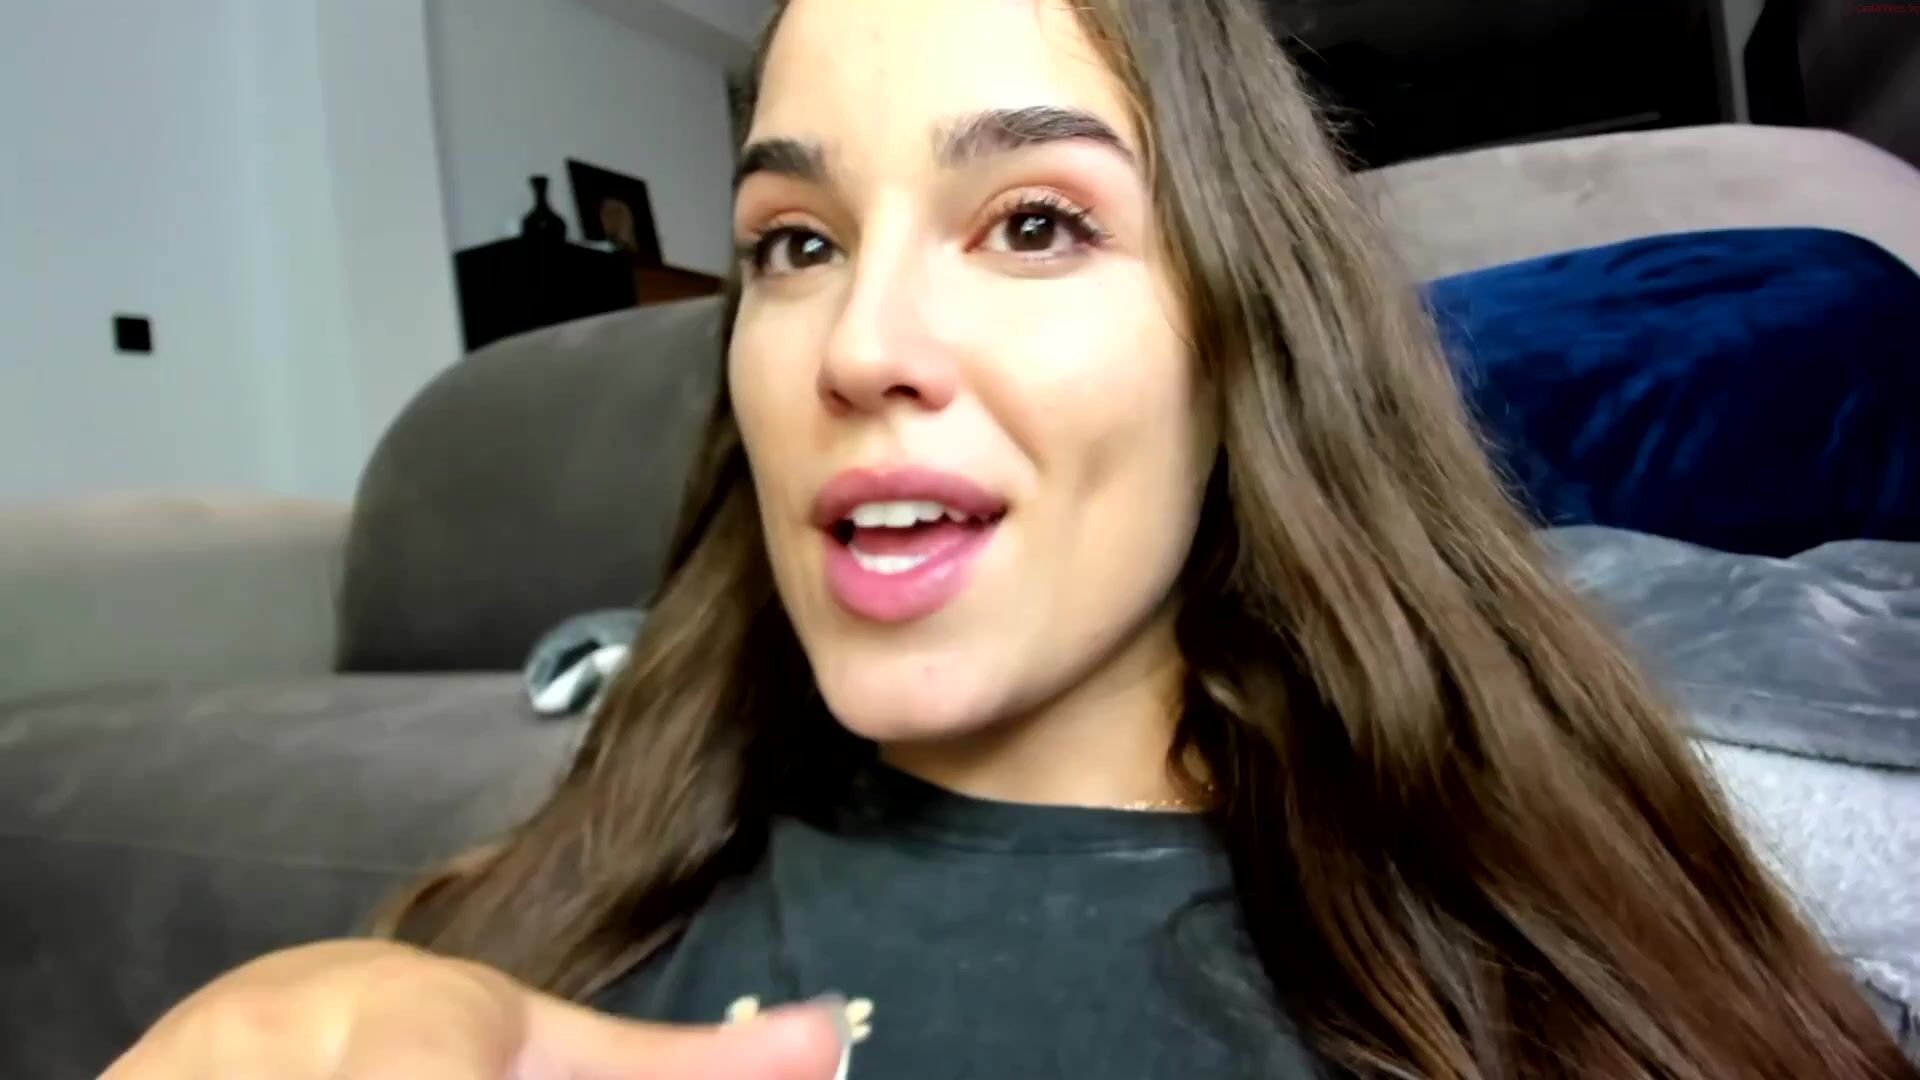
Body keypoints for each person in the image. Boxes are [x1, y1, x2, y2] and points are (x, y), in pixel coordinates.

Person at [107, 1, 1916, 1078]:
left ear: (1238, 337)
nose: (861, 345)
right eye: (796, 243)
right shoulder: (580, 881)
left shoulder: (1527, 962)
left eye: (1035, 223)